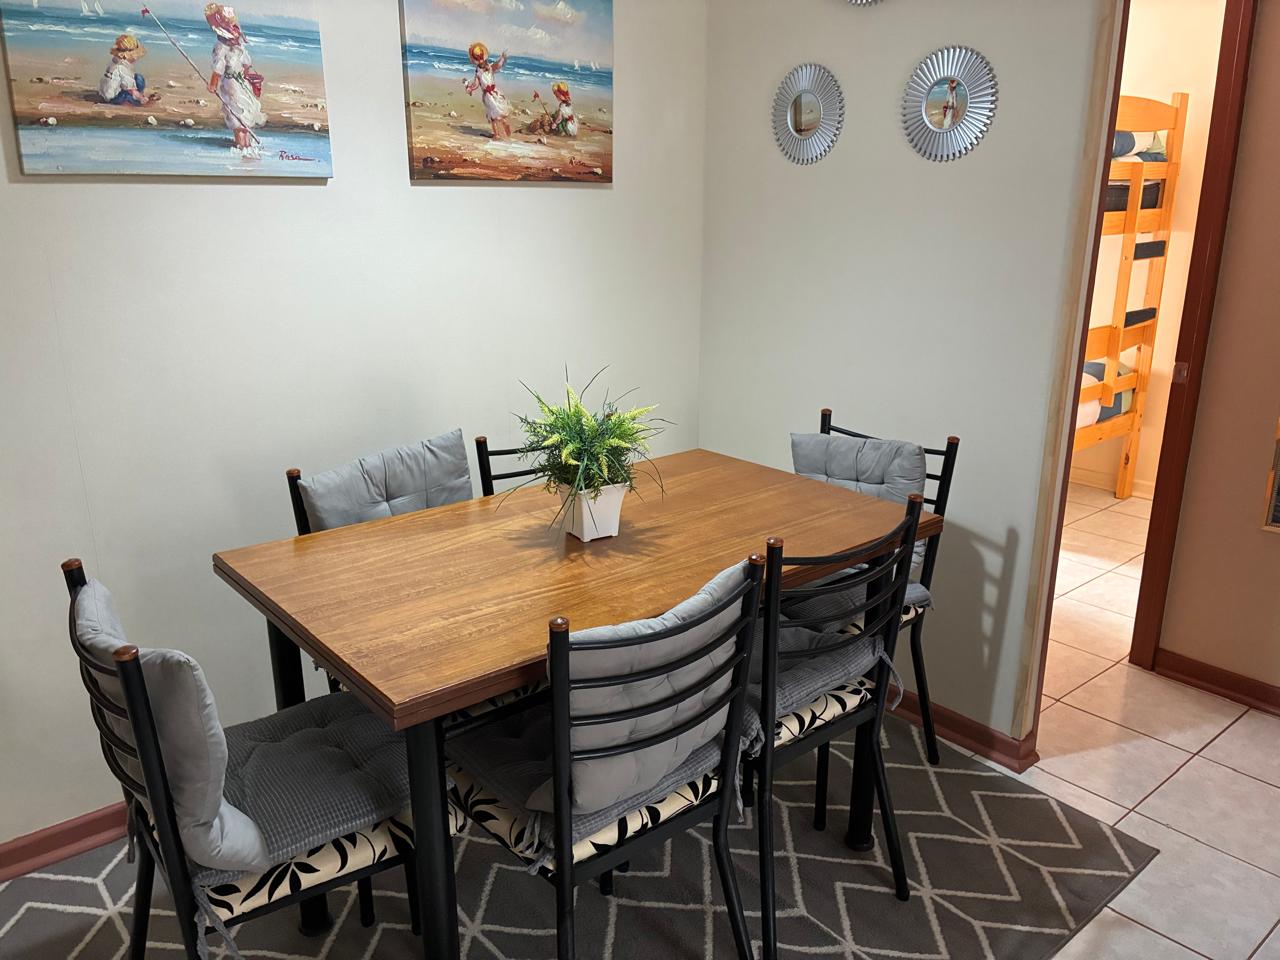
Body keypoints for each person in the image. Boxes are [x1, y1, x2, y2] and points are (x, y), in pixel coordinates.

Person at [204, 3, 266, 151]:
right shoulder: (239, 44)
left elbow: (218, 69)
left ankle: (241, 145)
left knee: (236, 112)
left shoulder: (220, 47)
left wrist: (212, 85)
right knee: (244, 110)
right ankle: (246, 144)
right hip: (242, 81)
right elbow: (246, 63)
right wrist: (245, 74)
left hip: (231, 84)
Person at [463, 42, 512, 140]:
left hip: (489, 95)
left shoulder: (482, 70)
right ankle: (502, 126)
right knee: (496, 112)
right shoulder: (487, 68)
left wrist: (470, 88)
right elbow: (497, 65)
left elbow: (476, 84)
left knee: (493, 115)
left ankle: (498, 132)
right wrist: (502, 58)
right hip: (493, 93)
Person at [98, 34, 160, 106]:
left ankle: (136, 98)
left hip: (106, 93)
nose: (137, 58)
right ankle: (138, 102)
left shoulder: (115, 61)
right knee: (133, 90)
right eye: (136, 55)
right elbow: (131, 90)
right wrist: (141, 98)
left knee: (138, 77)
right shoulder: (122, 68)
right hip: (114, 98)